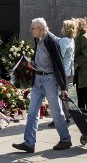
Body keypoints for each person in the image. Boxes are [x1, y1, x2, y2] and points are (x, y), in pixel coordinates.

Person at [13, 18, 71, 153]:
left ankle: (65, 139)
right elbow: (40, 56)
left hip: (50, 80)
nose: (30, 30)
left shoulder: (52, 41)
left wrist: (63, 87)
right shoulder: (37, 39)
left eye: (32, 28)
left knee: (56, 112)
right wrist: (33, 63)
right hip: (38, 79)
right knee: (32, 112)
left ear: (40, 29)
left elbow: (59, 64)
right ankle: (29, 143)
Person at [49, 19, 76, 128]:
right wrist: (48, 33)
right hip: (68, 72)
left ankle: (60, 119)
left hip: (62, 72)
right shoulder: (70, 39)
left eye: (62, 26)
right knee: (64, 95)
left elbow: (58, 56)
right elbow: (58, 40)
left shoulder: (64, 41)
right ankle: (66, 116)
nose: (61, 27)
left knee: (59, 96)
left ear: (66, 29)